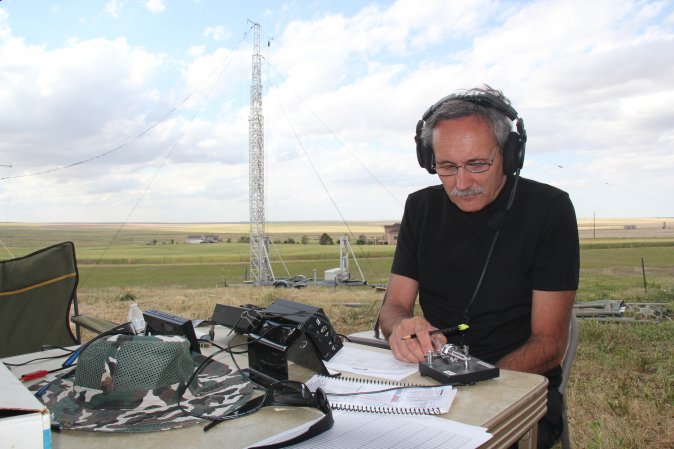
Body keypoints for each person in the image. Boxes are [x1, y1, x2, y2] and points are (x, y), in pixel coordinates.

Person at [379, 85, 579, 449]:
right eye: (447, 167)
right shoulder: (420, 208)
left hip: (514, 387)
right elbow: (393, 307)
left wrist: (479, 387)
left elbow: (550, 344)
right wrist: (402, 328)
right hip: (432, 383)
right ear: (429, 160)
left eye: (477, 165)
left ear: (509, 154)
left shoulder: (550, 210)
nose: (461, 183)